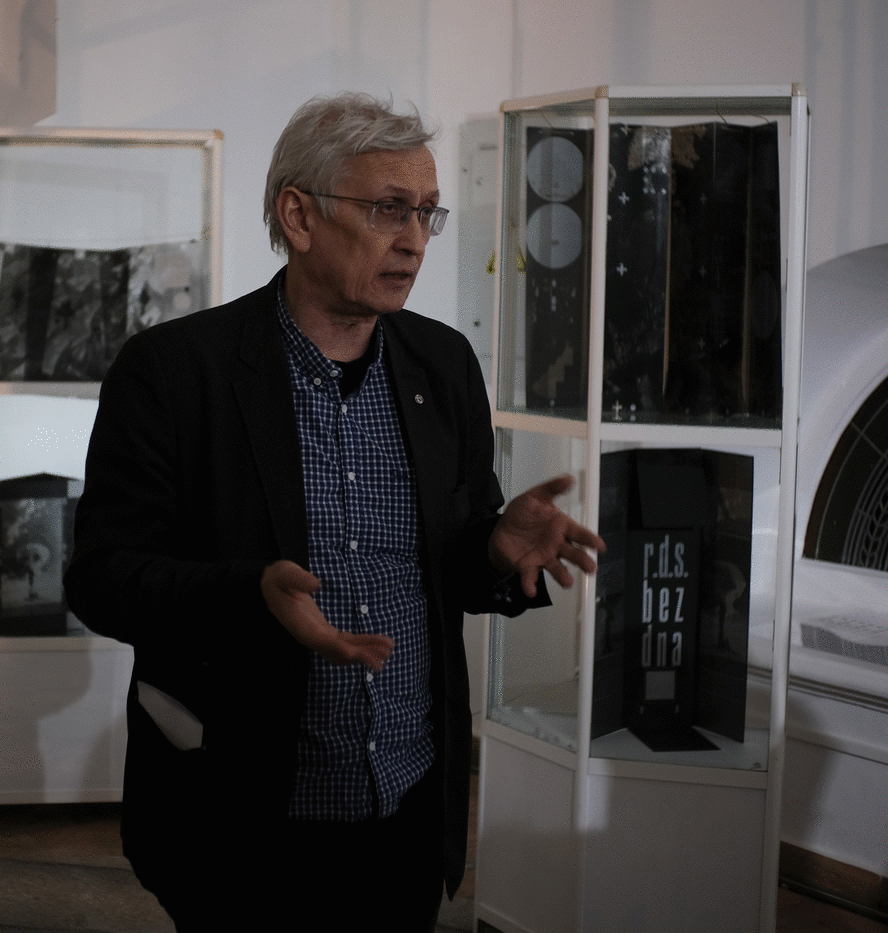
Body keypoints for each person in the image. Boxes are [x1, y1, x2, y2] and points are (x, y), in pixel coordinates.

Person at [64, 92, 604, 932]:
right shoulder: (173, 372)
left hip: (406, 811)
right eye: (389, 208)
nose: (415, 239)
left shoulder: (445, 365)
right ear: (299, 215)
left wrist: (496, 552)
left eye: (427, 212)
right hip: (239, 819)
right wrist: (249, 595)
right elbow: (102, 580)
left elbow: (448, 567)